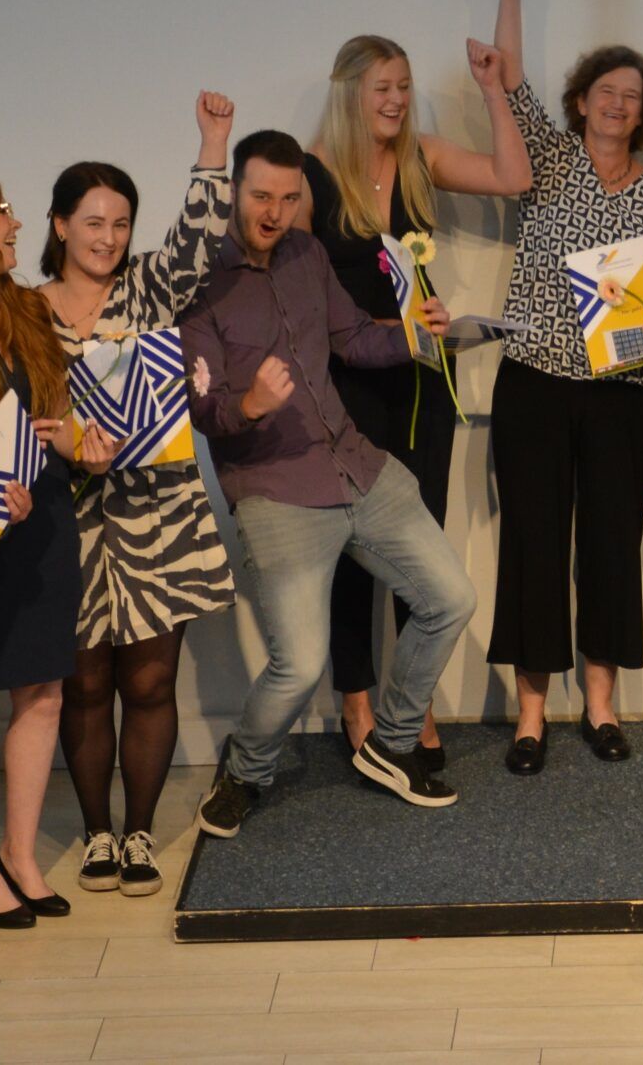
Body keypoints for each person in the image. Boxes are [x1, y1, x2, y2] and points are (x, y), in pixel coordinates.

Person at [186, 129, 469, 837]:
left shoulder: (308, 255)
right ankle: (245, 769)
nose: (275, 213)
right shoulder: (200, 282)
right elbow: (203, 409)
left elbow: (352, 338)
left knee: (451, 599)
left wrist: (413, 334)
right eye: (261, 197)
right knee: (300, 665)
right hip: (275, 489)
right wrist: (251, 404)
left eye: (289, 199)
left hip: (357, 465)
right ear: (234, 192)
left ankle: (392, 743)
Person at [484, 0, 643, 775]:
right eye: (606, 91)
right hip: (534, 380)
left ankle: (600, 707)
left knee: (610, 545)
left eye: (631, 96)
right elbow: (507, 78)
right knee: (534, 544)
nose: (617, 103)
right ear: (580, 102)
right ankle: (531, 715)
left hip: (625, 391)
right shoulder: (545, 160)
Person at [302, 35, 530, 773]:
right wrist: (375, 330)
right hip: (348, 389)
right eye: (383, 88)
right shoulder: (309, 175)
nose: (397, 100)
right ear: (349, 93)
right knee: (350, 549)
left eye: (403, 86)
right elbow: (296, 298)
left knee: (420, 543)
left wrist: (491, 90)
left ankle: (414, 701)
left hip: (426, 381)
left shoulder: (421, 158)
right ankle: (357, 701)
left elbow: (514, 175)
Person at [41, 93, 241, 898]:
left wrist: (213, 143)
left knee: (151, 684)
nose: (108, 237)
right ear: (60, 225)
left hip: (159, 512)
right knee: (85, 685)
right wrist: (63, 439)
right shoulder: (25, 312)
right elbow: (13, 410)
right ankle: (96, 832)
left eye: (121, 223)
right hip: (69, 519)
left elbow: (198, 240)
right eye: (93, 222)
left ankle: (139, 835)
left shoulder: (151, 289)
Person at [0, 172, 120, 928]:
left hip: (42, 519)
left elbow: (59, 418)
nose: (15, 224)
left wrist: (86, 447)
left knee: (43, 694)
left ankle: (19, 855)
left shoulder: (29, 309)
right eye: (3, 212)